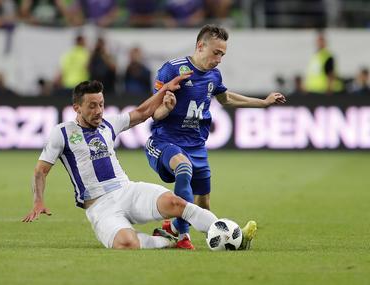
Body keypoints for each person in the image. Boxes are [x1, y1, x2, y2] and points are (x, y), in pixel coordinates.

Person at [22, 76, 258, 250]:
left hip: (127, 190)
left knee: (175, 203)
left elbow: (144, 111)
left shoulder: (108, 124)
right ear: (77, 107)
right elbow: (41, 170)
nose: (98, 111)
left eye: (101, 104)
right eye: (92, 106)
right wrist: (38, 201)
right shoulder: (61, 133)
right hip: (100, 207)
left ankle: (231, 234)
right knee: (127, 243)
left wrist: (165, 88)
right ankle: (165, 241)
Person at [145, 24, 285, 249]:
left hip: (196, 145)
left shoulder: (213, 75)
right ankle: (183, 237)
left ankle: (191, 230)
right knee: (183, 168)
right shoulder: (171, 70)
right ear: (200, 46)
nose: (219, 59)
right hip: (166, 141)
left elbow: (226, 98)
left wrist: (263, 102)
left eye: (222, 54)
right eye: (216, 53)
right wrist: (167, 108)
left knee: (203, 205)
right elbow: (154, 113)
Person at [304, 31, 343, 95]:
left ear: (325, 42)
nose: (319, 43)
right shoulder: (316, 56)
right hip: (313, 90)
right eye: (318, 41)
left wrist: (329, 89)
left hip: (323, 90)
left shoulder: (327, 56)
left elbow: (330, 73)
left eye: (321, 41)